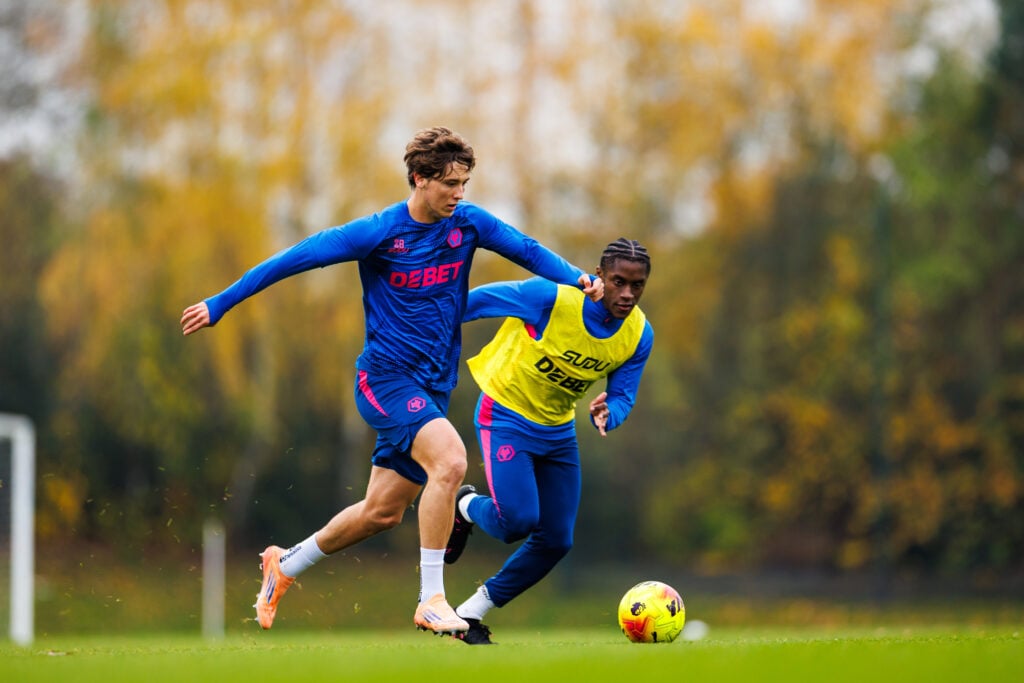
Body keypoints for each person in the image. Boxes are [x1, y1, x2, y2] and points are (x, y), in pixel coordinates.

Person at [180, 126, 602, 635]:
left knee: (381, 512)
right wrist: (220, 304)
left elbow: (527, 250)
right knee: (450, 460)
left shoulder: (467, 224)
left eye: (465, 182)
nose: (460, 193)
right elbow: (293, 259)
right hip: (383, 381)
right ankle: (431, 599)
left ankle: (284, 565)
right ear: (420, 179)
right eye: (450, 183)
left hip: (432, 387)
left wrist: (578, 277)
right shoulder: (378, 233)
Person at [444, 238, 654, 644]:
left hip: (557, 430)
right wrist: (420, 332)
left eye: (638, 285)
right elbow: (474, 303)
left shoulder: (638, 334)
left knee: (557, 540)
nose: (627, 294)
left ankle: (471, 612)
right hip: (504, 414)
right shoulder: (551, 299)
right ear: (601, 275)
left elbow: (624, 392)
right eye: (619, 282)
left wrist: (612, 412)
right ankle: (465, 505)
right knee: (516, 523)